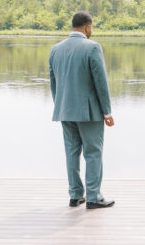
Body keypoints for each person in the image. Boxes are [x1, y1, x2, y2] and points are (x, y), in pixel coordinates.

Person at [48, 11, 115, 209]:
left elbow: (53, 82)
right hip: (89, 112)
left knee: (71, 152)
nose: (91, 31)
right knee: (93, 152)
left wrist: (60, 104)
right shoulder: (92, 47)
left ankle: (75, 195)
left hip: (64, 110)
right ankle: (93, 196)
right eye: (91, 28)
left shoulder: (55, 49)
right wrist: (107, 112)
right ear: (87, 27)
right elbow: (100, 82)